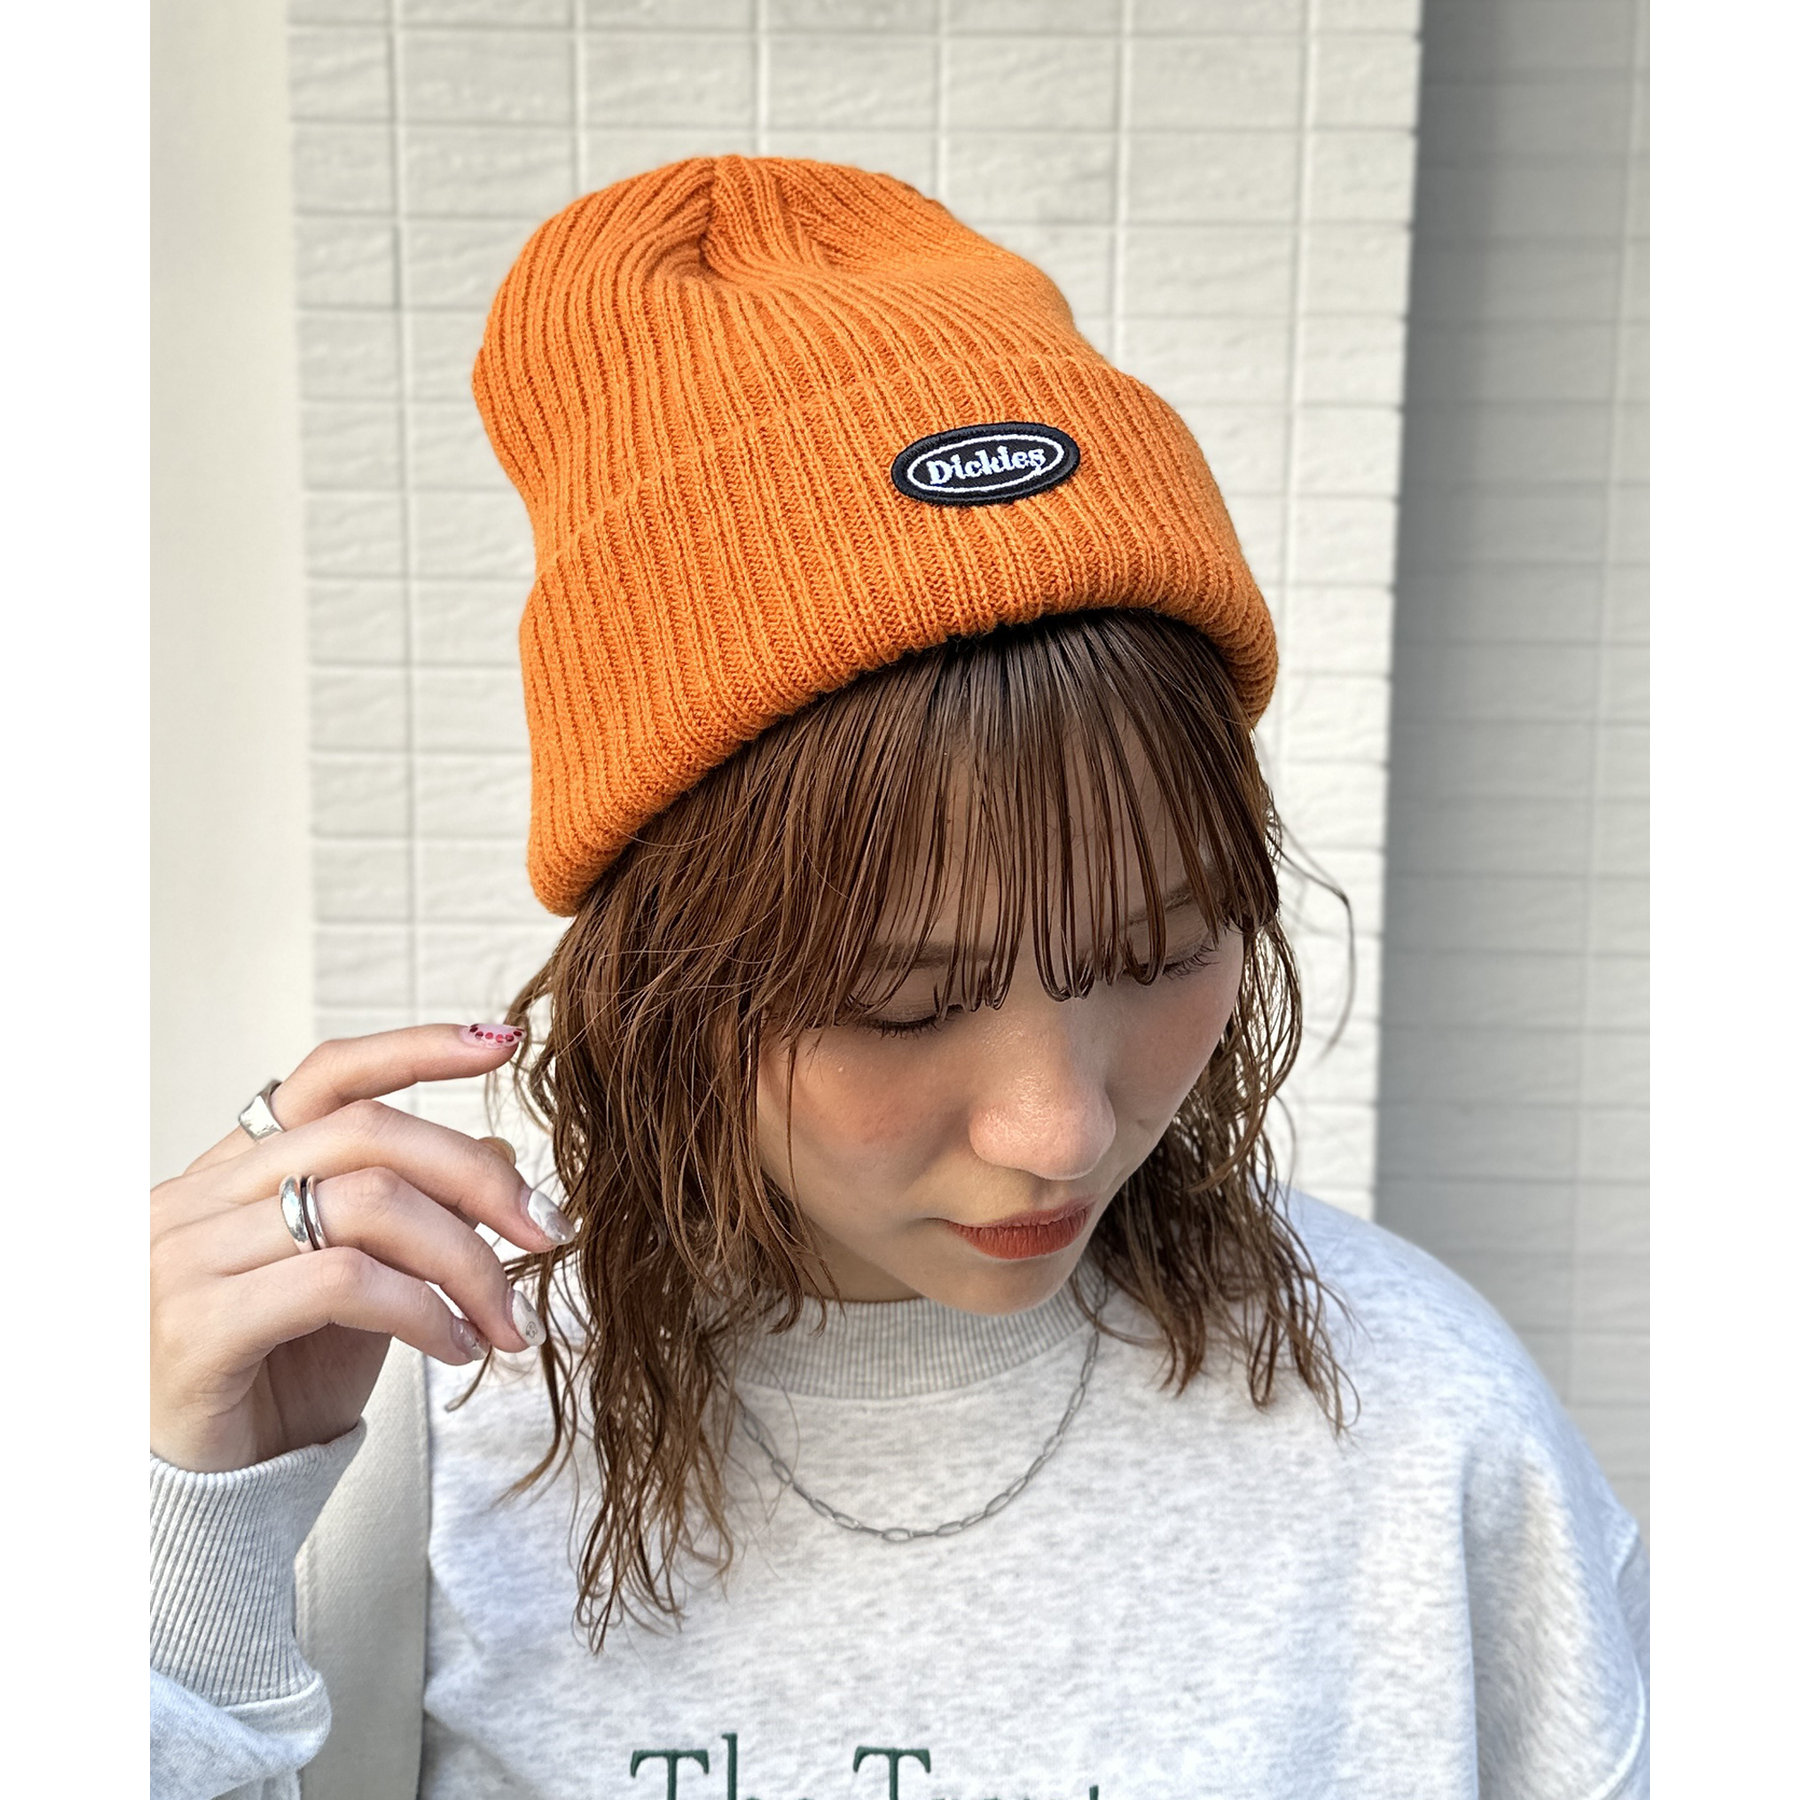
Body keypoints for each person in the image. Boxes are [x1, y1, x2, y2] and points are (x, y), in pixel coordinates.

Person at [150, 157, 1648, 1800]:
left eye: (1163, 950)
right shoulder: (410, 1409)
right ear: (659, 978)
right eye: (903, 1003)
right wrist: (177, 1554)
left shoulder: (1427, 1433)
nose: (1060, 1128)